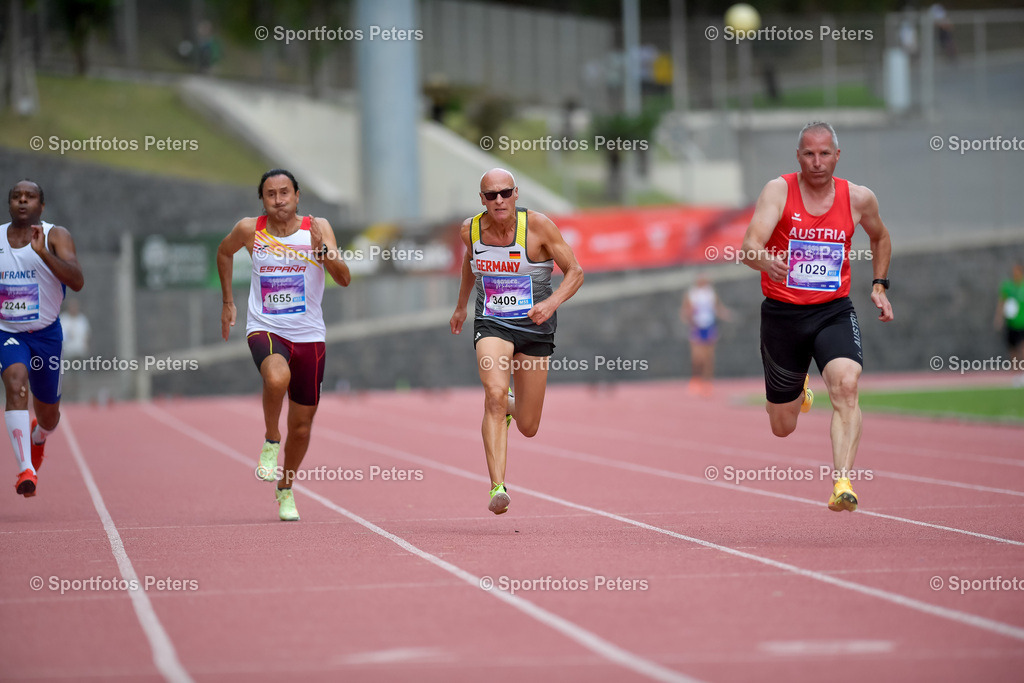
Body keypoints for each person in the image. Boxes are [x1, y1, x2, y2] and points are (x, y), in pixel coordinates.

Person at [740, 122, 894, 513]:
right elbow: (748, 247)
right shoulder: (779, 190)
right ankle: (800, 391)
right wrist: (765, 259)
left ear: (837, 156)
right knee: (782, 426)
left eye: (825, 153)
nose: (817, 161)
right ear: (798, 156)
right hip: (783, 315)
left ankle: (842, 481)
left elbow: (879, 236)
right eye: (809, 153)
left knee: (846, 384)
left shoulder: (858, 198)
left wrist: (879, 284)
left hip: (832, 311)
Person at [218, 169, 351, 521]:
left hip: (309, 336)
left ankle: (286, 488)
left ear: (297, 195)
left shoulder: (317, 228)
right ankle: (270, 440)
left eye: (285, 193)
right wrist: (228, 302)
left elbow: (344, 278)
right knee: (277, 378)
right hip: (266, 327)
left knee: (303, 426)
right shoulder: (250, 229)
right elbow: (224, 252)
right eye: (271, 194)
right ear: (262, 199)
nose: (279, 200)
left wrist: (323, 250)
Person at [450, 169, 583, 515]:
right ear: (481, 199)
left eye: (505, 193)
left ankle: (513, 406)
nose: (498, 200)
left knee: (528, 425)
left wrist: (551, 303)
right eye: (491, 195)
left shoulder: (538, 227)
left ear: (516, 194)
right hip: (492, 322)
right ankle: (498, 487)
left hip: (535, 327)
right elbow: (470, 261)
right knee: (493, 394)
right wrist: (462, 306)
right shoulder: (471, 230)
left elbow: (576, 272)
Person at [2, 180, 85, 497]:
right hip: (8, 332)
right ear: (10, 204)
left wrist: (43, 255)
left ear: (41, 206)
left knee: (49, 417)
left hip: (47, 335)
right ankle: (26, 468)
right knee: (15, 381)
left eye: (30, 197)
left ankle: (39, 436)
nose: (22, 201)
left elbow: (77, 281)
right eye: (16, 197)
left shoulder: (55, 236)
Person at [681, 274, 732, 396]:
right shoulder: (692, 293)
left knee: (709, 356)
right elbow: (686, 310)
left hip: (709, 326)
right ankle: (696, 379)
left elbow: (717, 307)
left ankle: (707, 382)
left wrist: (726, 314)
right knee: (698, 357)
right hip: (697, 326)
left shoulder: (710, 293)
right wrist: (688, 318)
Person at [994, 261, 1024, 386]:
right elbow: (1002, 302)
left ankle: (1022, 372)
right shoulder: (1007, 286)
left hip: (1022, 323)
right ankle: (1016, 373)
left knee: (1022, 348)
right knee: (1012, 350)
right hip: (1011, 324)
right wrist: (998, 318)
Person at [58, 299, 90, 402]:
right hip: (67, 352)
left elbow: (87, 334)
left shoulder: (82, 319)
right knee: (67, 376)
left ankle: (78, 397)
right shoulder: (64, 319)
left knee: (79, 376)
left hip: (79, 352)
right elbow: (60, 335)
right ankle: (68, 397)